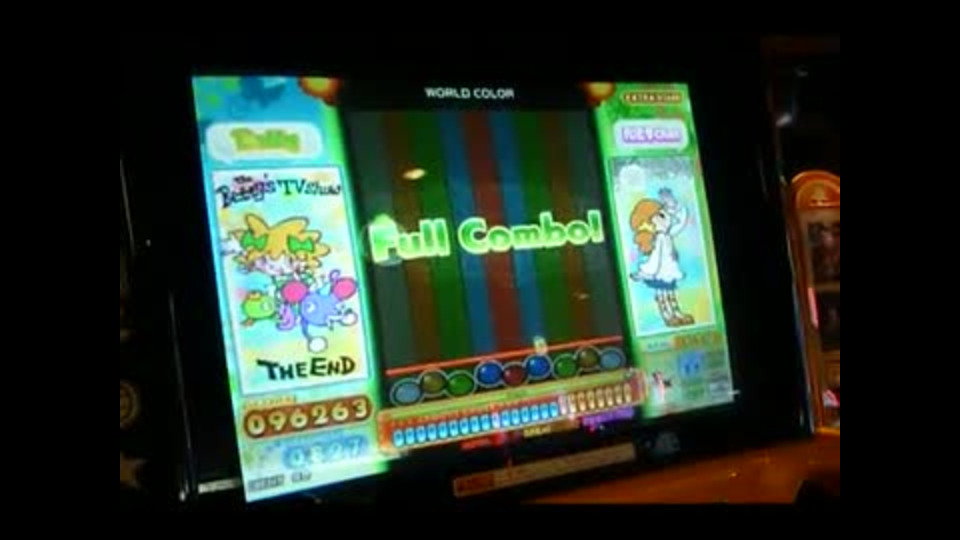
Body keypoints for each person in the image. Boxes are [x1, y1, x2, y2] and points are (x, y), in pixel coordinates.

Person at [629, 188, 694, 327]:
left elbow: (681, 222)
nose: (667, 216)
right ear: (650, 222)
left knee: (671, 294)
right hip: (660, 274)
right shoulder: (658, 239)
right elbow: (655, 259)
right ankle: (667, 316)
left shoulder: (666, 235)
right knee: (663, 295)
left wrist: (675, 204)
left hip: (669, 272)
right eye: (661, 215)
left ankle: (677, 313)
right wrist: (644, 273)